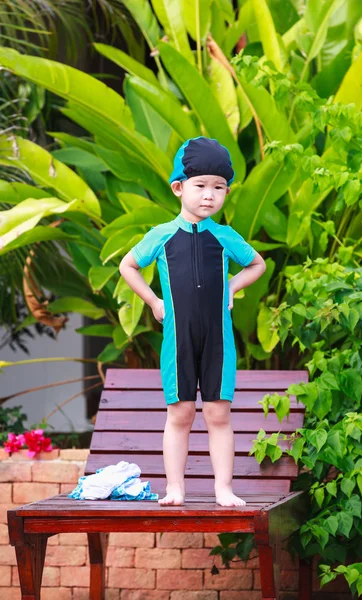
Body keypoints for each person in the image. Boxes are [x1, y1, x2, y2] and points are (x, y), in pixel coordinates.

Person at [119, 136, 266, 507]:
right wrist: (153, 301)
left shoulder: (223, 236)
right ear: (178, 188)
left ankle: (223, 489)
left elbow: (257, 264)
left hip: (218, 340)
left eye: (219, 188)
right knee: (180, 413)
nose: (209, 196)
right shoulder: (162, 236)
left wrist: (232, 286)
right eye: (200, 186)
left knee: (218, 413)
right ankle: (175, 489)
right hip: (178, 340)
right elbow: (129, 266)